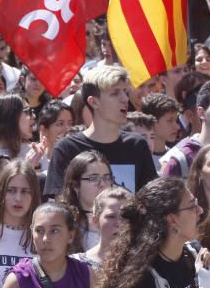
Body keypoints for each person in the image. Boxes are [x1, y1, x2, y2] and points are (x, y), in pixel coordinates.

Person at [45, 65, 157, 196]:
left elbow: (149, 202)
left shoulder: (137, 145)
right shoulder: (67, 149)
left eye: (125, 92)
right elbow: (61, 206)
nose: (125, 99)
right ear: (93, 102)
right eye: (115, 93)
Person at [0, 160, 40, 286]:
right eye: (11, 190)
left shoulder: (41, 236)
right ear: (1, 193)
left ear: (34, 195)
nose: (18, 198)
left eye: (25, 191)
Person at [56, 151, 113, 250]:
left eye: (106, 178)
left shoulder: (120, 222)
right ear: (75, 185)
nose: (102, 184)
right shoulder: (62, 221)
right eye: (94, 178)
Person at [78, 186, 132, 269]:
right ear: (95, 221)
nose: (119, 223)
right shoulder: (75, 265)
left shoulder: (142, 266)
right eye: (111, 216)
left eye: (126, 216)